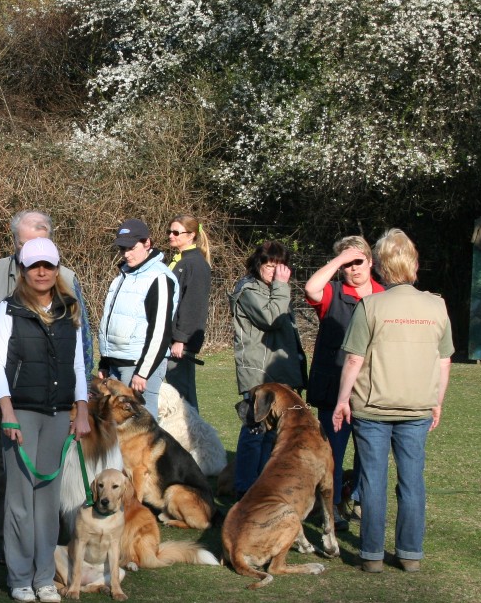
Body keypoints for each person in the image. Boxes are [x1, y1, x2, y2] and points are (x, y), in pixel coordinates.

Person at [0, 210, 93, 566]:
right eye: (21, 243)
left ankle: (46, 549)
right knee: (10, 474)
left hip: (55, 397)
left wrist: (82, 401)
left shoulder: (67, 279)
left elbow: (82, 343)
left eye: (35, 243)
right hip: (11, 394)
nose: (28, 252)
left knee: (50, 476)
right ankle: (12, 547)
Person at [333, 229, 452, 573]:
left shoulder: (370, 304)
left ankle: (371, 555)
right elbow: (444, 360)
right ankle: (410, 553)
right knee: (412, 480)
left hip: (373, 407)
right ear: (414, 264)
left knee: (372, 480)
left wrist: (343, 400)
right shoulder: (437, 305)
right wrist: (436, 400)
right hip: (417, 406)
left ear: (381, 267)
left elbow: (354, 359)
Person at [0, 237, 90, 603]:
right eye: (34, 266)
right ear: (23, 270)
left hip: (59, 413)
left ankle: (44, 577)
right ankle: (19, 578)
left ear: (57, 268)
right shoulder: (8, 310)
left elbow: (78, 364)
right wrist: (8, 413)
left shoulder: (70, 310)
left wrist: (81, 409)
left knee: (47, 500)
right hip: (22, 413)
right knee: (19, 498)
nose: (42, 271)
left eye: (48, 265)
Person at [304, 235, 385, 529]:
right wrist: (338, 260)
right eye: (347, 265)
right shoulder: (332, 293)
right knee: (333, 452)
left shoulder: (384, 296)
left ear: (371, 262)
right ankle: (331, 505)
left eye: (358, 262)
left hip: (372, 389)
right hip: (333, 388)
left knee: (370, 451)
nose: (353, 269)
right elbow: (311, 288)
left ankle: (361, 500)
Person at [229, 240, 306, 497]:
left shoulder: (274, 290)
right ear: (258, 264)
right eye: (269, 265)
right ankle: (244, 489)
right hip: (258, 373)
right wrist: (282, 287)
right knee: (255, 429)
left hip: (278, 372)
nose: (274, 271)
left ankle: (262, 486)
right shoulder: (249, 289)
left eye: (279, 266)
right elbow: (271, 318)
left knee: (272, 434)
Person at [98, 218, 177, 419]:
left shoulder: (159, 278)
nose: (126, 254)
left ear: (147, 243)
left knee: (141, 427)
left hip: (139, 365)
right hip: (116, 362)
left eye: (131, 247)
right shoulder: (123, 275)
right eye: (122, 248)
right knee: (114, 426)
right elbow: (111, 320)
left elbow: (160, 331)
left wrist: (143, 371)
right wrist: (105, 362)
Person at [164, 215, 212, 411]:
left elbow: (192, 305)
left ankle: (194, 438)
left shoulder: (195, 264)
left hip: (179, 343)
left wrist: (181, 339)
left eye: (176, 232)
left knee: (183, 397)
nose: (171, 236)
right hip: (170, 338)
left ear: (191, 235)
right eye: (169, 231)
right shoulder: (181, 261)